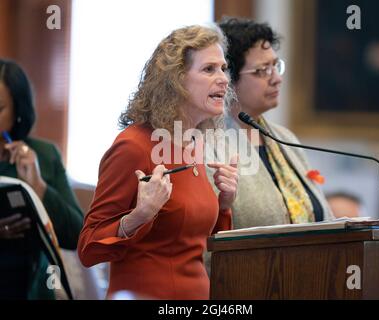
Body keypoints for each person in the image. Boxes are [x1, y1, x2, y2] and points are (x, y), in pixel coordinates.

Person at [77, 25, 238, 300]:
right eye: (209, 69)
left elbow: (194, 241)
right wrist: (140, 215)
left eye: (223, 68)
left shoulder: (195, 143)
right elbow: (89, 248)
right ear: (175, 80)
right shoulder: (133, 146)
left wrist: (224, 205)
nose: (223, 78)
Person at [210, 17, 334, 229]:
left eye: (276, 66)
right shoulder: (209, 144)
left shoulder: (285, 138)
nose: (277, 78)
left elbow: (321, 213)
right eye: (263, 70)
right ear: (228, 77)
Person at [0, 59, 83, 299]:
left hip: (33, 288)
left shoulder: (45, 156)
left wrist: (39, 187)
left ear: (18, 110)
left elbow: (76, 236)